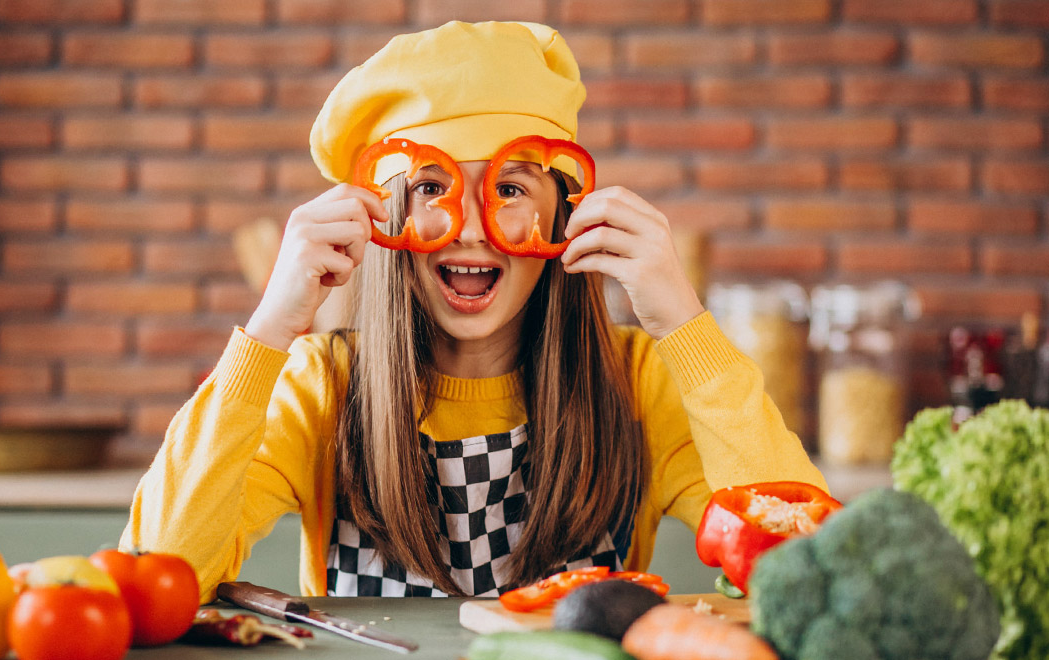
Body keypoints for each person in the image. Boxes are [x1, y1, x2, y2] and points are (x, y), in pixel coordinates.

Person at [121, 20, 827, 602]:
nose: (470, 228)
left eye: (511, 190)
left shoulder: (637, 381)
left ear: (566, 210)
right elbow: (158, 576)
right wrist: (270, 328)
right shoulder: (320, 386)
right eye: (431, 187)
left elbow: (809, 572)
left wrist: (683, 325)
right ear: (382, 213)